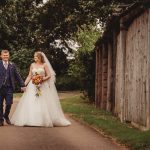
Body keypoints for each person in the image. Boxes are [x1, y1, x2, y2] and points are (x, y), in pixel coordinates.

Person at [11, 51, 71, 127]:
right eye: (34, 56)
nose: (34, 58)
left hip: (43, 86)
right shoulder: (32, 64)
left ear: (39, 58)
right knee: (31, 101)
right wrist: (24, 84)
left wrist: (42, 79)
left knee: (44, 101)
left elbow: (49, 75)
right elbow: (29, 75)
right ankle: (31, 120)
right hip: (32, 86)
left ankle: (44, 119)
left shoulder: (44, 65)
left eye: (35, 57)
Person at [0, 49, 26, 126]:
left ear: (9, 56)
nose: (5, 56)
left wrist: (22, 85)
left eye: (7, 55)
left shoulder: (12, 65)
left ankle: (6, 115)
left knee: (9, 103)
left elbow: (17, 76)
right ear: (1, 56)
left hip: (9, 88)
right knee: (0, 104)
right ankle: (1, 119)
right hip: (0, 88)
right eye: (4, 55)